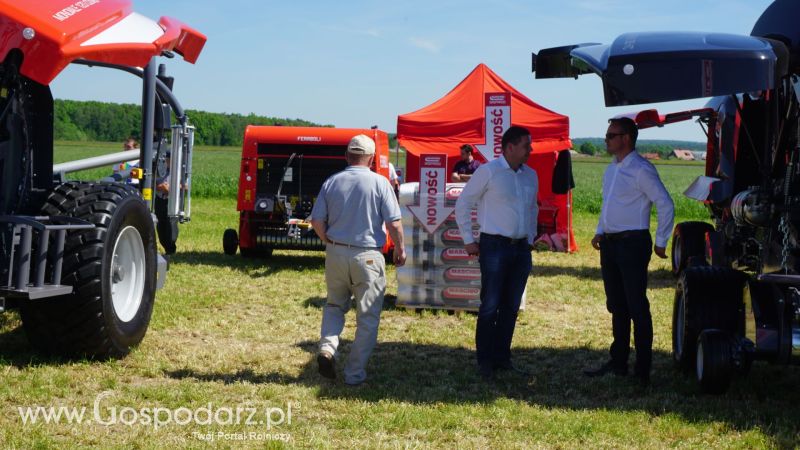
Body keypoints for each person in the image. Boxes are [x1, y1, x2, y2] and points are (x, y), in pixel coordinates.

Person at [584, 117, 674, 388]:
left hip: (633, 243)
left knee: (636, 305)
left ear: (626, 138)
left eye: (611, 136)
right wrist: (600, 230)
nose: (606, 140)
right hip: (611, 243)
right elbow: (608, 204)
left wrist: (661, 242)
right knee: (617, 304)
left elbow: (665, 203)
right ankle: (619, 361)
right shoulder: (612, 169)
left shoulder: (640, 169)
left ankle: (643, 368)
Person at [310, 134, 406, 386]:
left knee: (334, 305)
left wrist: (329, 241)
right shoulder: (380, 182)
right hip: (368, 256)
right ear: (372, 159)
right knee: (368, 317)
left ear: (347, 156)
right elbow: (394, 223)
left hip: (336, 252)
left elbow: (316, 221)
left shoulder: (332, 181)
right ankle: (354, 374)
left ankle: (327, 349)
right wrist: (400, 249)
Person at [454, 126, 538, 381]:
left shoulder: (530, 175)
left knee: (511, 306)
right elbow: (463, 203)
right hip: (494, 246)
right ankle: (485, 361)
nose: (530, 150)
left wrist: (531, 237)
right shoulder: (488, 172)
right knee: (490, 305)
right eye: (526, 145)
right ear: (510, 147)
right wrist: (468, 239)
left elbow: (533, 207)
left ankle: (503, 357)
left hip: (521, 248)